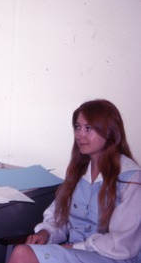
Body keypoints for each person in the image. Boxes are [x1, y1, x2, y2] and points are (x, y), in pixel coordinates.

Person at [9, 99, 141, 263]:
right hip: (75, 252)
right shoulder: (77, 173)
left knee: (22, 254)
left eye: (88, 128)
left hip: (113, 257)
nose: (80, 135)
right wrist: (45, 233)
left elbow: (122, 243)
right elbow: (59, 218)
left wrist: (72, 248)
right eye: (77, 127)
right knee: (23, 252)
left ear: (110, 131)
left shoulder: (131, 178)